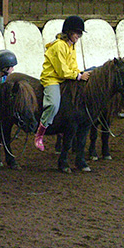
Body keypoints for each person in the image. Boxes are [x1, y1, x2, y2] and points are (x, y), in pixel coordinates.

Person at [34, 15, 91, 151]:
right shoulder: (59, 46)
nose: (79, 35)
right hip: (52, 79)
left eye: (80, 33)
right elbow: (62, 71)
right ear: (69, 32)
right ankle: (39, 134)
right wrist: (78, 76)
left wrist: (80, 73)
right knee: (53, 104)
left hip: (65, 78)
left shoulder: (70, 46)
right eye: (77, 33)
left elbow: (72, 65)